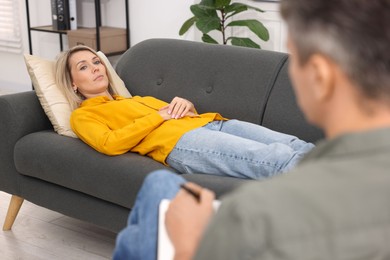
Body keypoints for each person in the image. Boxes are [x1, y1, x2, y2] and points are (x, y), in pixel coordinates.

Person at [113, 0, 390, 259]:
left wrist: (189, 245)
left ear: (320, 76)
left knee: (150, 211)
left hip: (202, 136)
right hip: (184, 139)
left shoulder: (256, 215)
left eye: (295, 60)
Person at [55, 45, 314, 180]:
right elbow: (108, 144)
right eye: (84, 67)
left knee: (294, 144)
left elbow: (173, 115)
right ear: (73, 83)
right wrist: (160, 116)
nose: (96, 68)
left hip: (211, 123)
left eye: (97, 61)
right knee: (276, 158)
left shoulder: (135, 99)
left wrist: (187, 106)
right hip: (182, 143)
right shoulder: (83, 115)